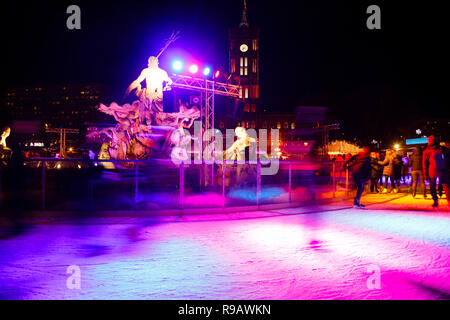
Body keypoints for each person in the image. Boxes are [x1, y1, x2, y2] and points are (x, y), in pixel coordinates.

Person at [423, 135, 449, 208]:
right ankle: (449, 201)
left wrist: (426, 175)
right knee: (446, 186)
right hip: (443, 170)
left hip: (432, 171)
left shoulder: (426, 151)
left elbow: (425, 164)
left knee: (432, 186)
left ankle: (435, 201)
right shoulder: (443, 149)